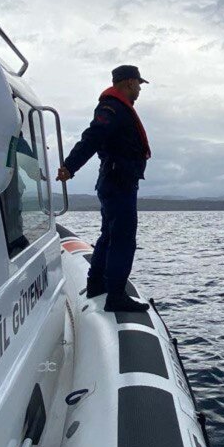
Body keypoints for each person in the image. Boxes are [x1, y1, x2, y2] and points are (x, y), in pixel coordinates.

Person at [56, 65, 152, 312]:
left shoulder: (117, 107)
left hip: (115, 181)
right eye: (138, 84)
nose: (140, 89)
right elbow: (92, 137)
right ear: (129, 83)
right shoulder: (112, 108)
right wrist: (70, 166)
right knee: (122, 239)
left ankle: (97, 284)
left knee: (109, 235)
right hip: (118, 183)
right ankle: (116, 296)